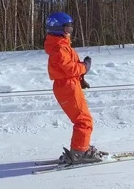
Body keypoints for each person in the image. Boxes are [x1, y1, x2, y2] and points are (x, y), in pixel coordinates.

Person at [44, 12, 104, 164]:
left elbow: (68, 69)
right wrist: (85, 67)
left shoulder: (63, 45)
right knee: (83, 120)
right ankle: (80, 152)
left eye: (71, 27)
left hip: (70, 84)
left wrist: (80, 79)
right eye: (68, 28)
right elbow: (70, 69)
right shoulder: (59, 48)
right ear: (59, 28)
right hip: (67, 86)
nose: (70, 30)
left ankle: (81, 147)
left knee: (83, 119)